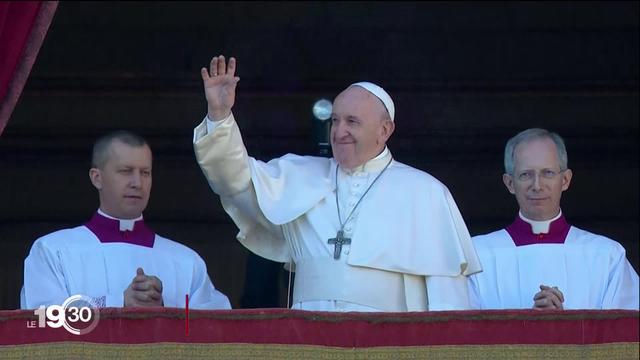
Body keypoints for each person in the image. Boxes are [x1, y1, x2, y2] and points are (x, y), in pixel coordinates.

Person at [192, 55, 482, 312]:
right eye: (335, 121)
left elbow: (449, 304)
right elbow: (234, 179)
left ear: (384, 130)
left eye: (352, 122)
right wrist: (219, 116)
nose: (339, 131)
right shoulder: (299, 176)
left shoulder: (426, 193)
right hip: (308, 342)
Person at [21, 131, 231, 309]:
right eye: (125, 171)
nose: (137, 183)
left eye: (145, 173)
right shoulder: (53, 251)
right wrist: (118, 302)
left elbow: (217, 330)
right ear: (97, 178)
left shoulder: (186, 261)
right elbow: (40, 318)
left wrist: (163, 309)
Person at [468, 128, 639, 310]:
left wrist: (563, 327)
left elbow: (625, 331)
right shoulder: (477, 257)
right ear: (510, 183)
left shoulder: (606, 256)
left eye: (547, 173)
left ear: (565, 180)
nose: (537, 186)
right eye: (526, 174)